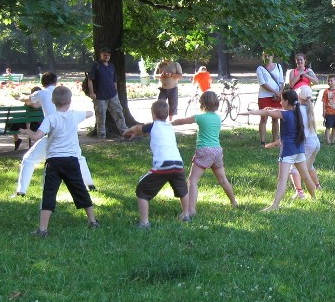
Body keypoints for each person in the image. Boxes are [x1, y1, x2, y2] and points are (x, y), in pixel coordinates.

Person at [21, 86, 99, 236]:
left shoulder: (51, 119)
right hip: (72, 161)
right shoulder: (75, 115)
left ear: (52, 101)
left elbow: (37, 136)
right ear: (70, 101)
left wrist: (27, 131)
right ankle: (92, 221)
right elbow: (89, 113)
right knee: (80, 190)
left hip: (54, 162)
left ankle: (43, 229)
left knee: (49, 193)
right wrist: (89, 110)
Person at [14, 72, 96, 197]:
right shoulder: (63, 98)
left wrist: (20, 98)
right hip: (70, 138)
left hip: (52, 137)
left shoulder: (40, 93)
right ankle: (90, 185)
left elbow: (30, 101)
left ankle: (21, 192)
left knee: (28, 159)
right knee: (79, 157)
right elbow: (89, 113)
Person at [169, 90, 238, 221]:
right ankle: (234, 202)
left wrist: (170, 122)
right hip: (217, 151)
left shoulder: (200, 117)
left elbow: (182, 121)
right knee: (223, 180)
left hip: (204, 151)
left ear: (202, 103)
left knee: (192, 181)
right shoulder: (218, 118)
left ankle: (191, 210)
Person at [247, 90, 317, 211]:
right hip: (299, 150)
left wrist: (249, 112)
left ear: (287, 101)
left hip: (288, 152)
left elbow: (266, 112)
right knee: (305, 176)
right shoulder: (297, 112)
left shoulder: (285, 114)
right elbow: (276, 110)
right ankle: (315, 198)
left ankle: (274, 206)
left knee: (282, 179)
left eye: (282, 100)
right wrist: (272, 109)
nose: (280, 101)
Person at [123, 100, 188, 228]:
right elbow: (148, 132)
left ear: (153, 114)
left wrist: (128, 131)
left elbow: (138, 128)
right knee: (183, 191)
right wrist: (139, 132)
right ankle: (186, 215)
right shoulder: (169, 127)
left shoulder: (152, 125)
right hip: (178, 164)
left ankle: (144, 222)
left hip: (163, 165)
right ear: (167, 113)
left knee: (142, 190)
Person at [88, 48, 129, 139]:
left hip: (113, 95)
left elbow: (114, 80)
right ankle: (101, 137)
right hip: (100, 97)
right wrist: (92, 93)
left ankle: (125, 133)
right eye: (105, 55)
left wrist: (115, 91)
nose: (107, 57)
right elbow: (90, 79)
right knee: (101, 117)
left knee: (119, 114)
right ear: (100, 55)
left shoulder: (111, 66)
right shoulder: (96, 65)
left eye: (108, 55)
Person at [256, 52, 284, 145]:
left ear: (273, 56)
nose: (267, 57)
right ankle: (262, 141)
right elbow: (263, 83)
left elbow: (281, 82)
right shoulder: (260, 68)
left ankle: (275, 140)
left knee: (275, 119)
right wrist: (275, 92)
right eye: (265, 55)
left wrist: (279, 93)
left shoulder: (279, 66)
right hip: (264, 96)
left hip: (276, 97)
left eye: (269, 55)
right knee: (264, 118)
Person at [321, 74, 335, 145]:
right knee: (328, 127)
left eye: (331, 81)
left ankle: (332, 140)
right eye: (328, 81)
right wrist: (324, 111)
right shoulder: (326, 92)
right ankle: (328, 140)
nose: (330, 82)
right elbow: (324, 102)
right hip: (329, 113)